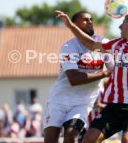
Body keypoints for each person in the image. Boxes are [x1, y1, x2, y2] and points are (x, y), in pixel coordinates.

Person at [55, 10, 128, 143]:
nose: (119, 27)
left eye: (123, 23)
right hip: (114, 106)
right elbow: (91, 44)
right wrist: (71, 26)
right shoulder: (116, 44)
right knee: (88, 139)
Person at [44, 11, 113, 143]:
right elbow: (74, 79)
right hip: (59, 100)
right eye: (85, 20)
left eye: (91, 19)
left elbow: (115, 70)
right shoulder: (68, 47)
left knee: (70, 136)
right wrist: (104, 74)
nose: (90, 22)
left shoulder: (103, 42)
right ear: (74, 25)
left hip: (83, 102)